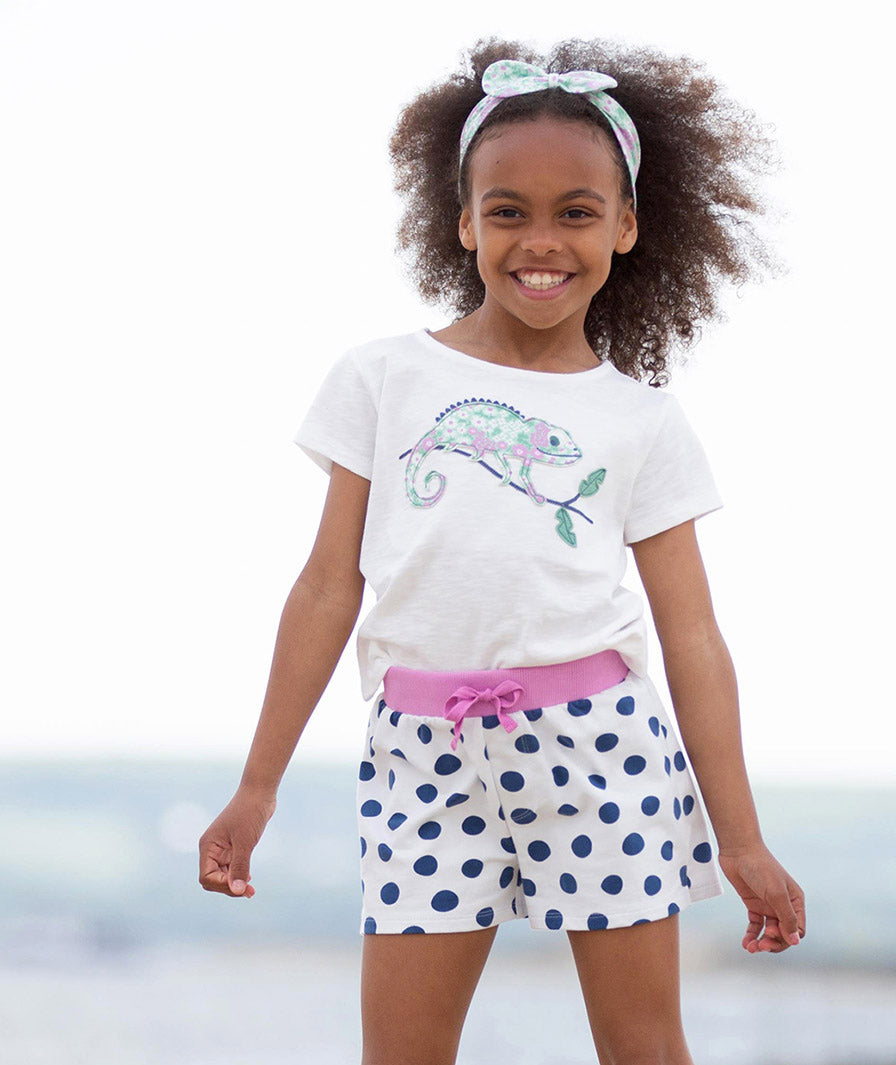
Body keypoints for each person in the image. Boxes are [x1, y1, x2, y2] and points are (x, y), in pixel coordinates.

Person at [199, 37, 805, 1065]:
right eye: (509, 210)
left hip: (599, 751)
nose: (542, 241)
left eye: (577, 212)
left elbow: (694, 636)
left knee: (644, 1047)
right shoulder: (382, 379)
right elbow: (326, 589)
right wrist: (257, 787)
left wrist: (739, 839)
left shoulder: (641, 422)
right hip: (421, 757)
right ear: (464, 221)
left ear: (626, 226)